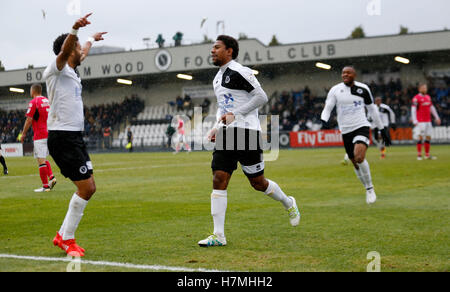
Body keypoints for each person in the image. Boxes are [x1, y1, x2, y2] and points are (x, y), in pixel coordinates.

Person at [198, 35, 300, 247]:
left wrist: (236, 114)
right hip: (228, 134)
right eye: (212, 48)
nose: (212, 51)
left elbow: (261, 97)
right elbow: (223, 107)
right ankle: (219, 235)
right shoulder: (217, 78)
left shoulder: (240, 71)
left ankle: (288, 202)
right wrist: (217, 127)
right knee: (218, 178)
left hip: (247, 133)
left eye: (217, 47)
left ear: (230, 51)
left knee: (258, 183)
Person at [43, 13, 106, 257]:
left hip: (74, 138)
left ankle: (64, 236)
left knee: (88, 188)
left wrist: (90, 38)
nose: (81, 51)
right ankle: (65, 237)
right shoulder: (56, 69)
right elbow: (66, 51)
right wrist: (75, 29)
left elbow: (83, 52)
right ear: (68, 49)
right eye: (77, 47)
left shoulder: (71, 70)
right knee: (87, 188)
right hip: (62, 138)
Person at [321, 66, 391, 204]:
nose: (345, 75)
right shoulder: (335, 90)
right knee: (355, 163)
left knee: (359, 157)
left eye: (348, 73)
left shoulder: (363, 89)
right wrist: (323, 120)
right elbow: (328, 106)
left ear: (354, 74)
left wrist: (382, 129)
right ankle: (366, 187)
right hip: (345, 130)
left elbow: (372, 110)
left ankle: (370, 189)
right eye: (343, 73)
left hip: (362, 126)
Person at [20, 83, 57, 192]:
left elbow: (29, 119)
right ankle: (51, 177)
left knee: (41, 161)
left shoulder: (34, 102)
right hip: (49, 133)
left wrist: (23, 133)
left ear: (33, 91)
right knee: (44, 159)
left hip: (40, 135)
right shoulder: (47, 101)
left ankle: (45, 187)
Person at [411, 84, 441, 160]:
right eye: (423, 88)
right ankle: (419, 155)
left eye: (425, 88)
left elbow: (431, 108)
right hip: (420, 121)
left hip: (428, 120)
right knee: (420, 137)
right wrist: (414, 120)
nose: (425, 89)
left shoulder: (428, 97)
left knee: (428, 137)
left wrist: (437, 117)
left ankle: (427, 155)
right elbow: (413, 109)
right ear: (419, 89)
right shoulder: (416, 98)